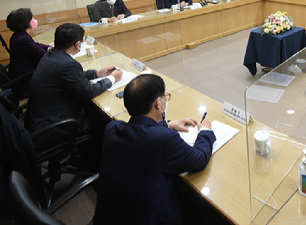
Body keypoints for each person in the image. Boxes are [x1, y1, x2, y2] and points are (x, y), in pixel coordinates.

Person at [94, 74, 215, 225]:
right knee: (200, 201)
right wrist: (205, 131)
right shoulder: (165, 139)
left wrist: (168, 124)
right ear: (158, 103)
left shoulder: (111, 129)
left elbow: (139, 129)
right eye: (165, 97)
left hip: (109, 218)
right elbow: (200, 158)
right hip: (150, 219)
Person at [25, 23, 122, 148]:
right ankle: (93, 158)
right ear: (77, 45)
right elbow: (89, 91)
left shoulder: (51, 55)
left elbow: (72, 76)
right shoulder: (67, 64)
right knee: (101, 117)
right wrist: (112, 79)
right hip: (53, 125)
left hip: (37, 119)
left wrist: (98, 73)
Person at [6, 8, 53, 100]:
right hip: (25, 79)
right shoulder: (22, 39)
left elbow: (35, 45)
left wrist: (48, 47)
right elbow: (43, 55)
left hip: (20, 74)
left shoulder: (19, 35)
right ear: (25, 23)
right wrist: (58, 52)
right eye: (32, 18)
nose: (34, 20)